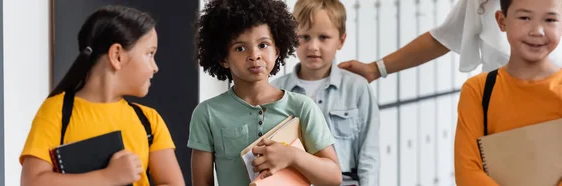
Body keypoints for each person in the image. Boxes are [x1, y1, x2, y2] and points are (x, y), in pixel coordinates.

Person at [19, 5, 184, 186]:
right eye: (149, 54)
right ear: (117, 56)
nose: (155, 67)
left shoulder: (149, 121)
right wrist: (108, 177)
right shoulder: (56, 111)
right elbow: (32, 181)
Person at [187, 0, 343, 185]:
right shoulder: (207, 114)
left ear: (277, 51)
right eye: (240, 48)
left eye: (263, 45)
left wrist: (292, 156)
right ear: (223, 58)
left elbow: (334, 177)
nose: (254, 55)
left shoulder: (302, 107)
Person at [271, 0, 379, 185]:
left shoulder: (357, 88)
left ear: (341, 40)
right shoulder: (276, 89)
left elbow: (369, 155)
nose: (313, 46)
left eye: (323, 37)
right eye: (304, 37)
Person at [454, 0, 562, 185]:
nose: (537, 30)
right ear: (502, 21)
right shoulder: (478, 90)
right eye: (525, 17)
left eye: (550, 19)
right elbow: (467, 172)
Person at [337, 0, 562, 83]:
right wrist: (375, 69)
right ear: (501, 21)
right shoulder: (482, 3)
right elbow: (443, 38)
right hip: (498, 116)